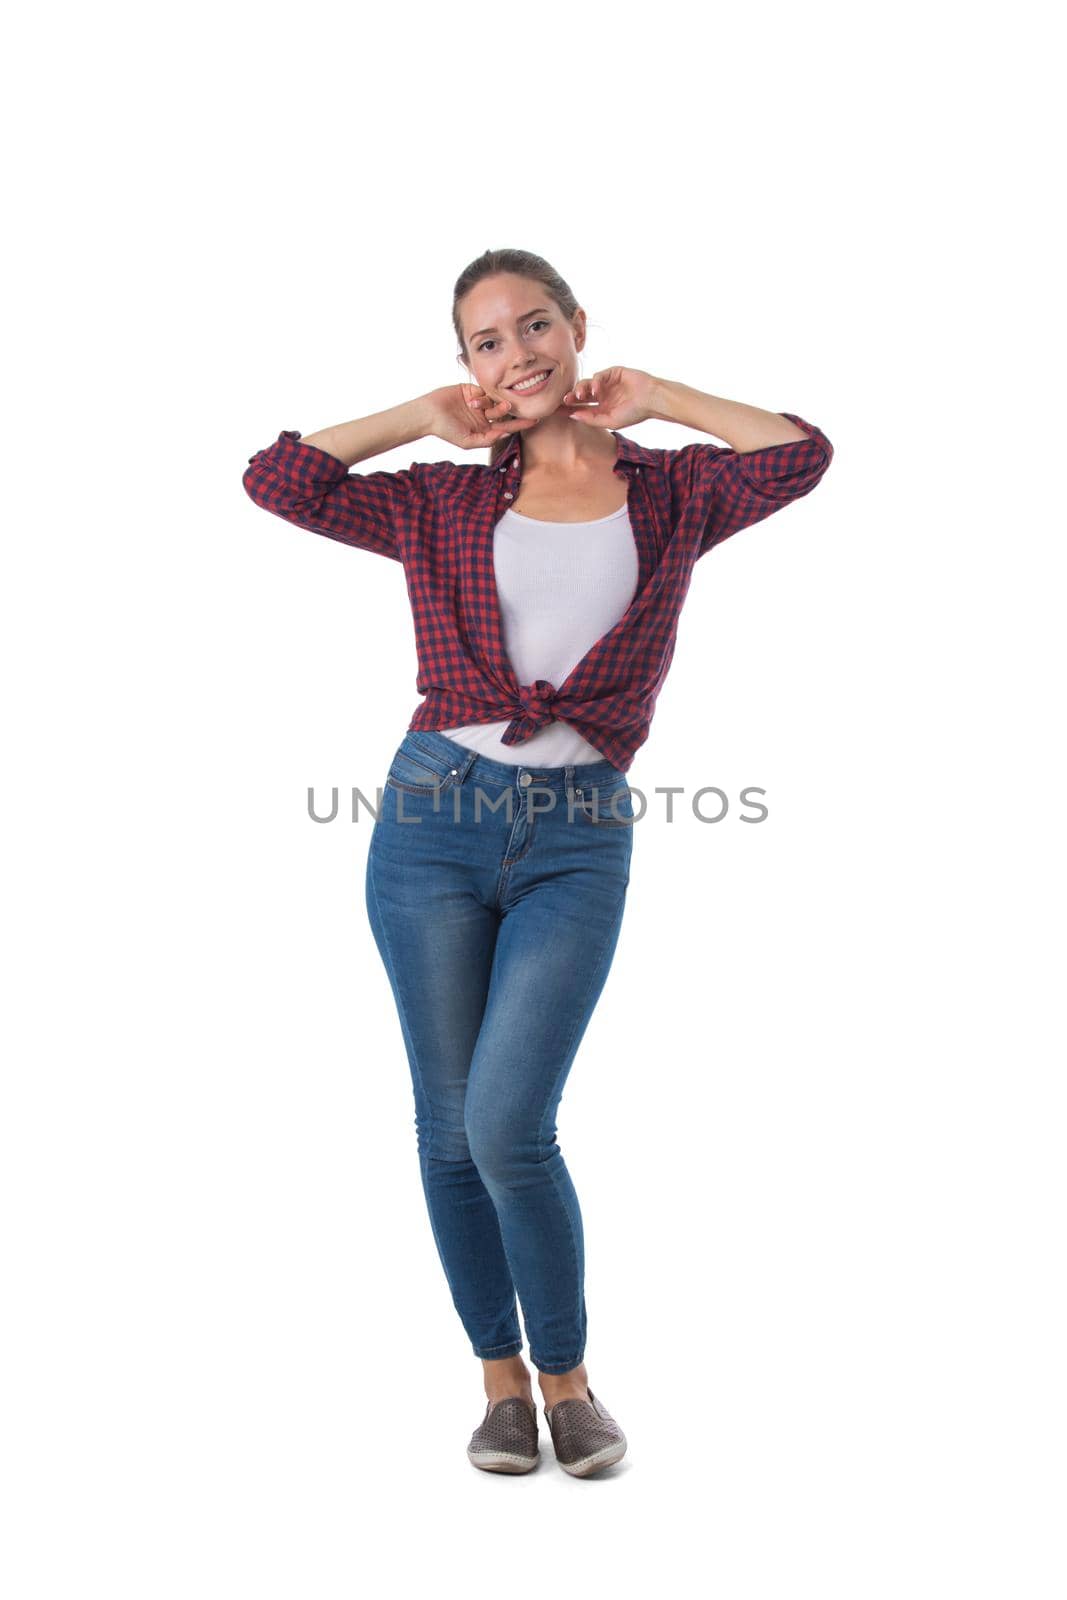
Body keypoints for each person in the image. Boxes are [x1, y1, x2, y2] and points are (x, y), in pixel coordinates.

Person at [242, 247, 834, 1477]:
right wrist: (419, 419)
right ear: (470, 367)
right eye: (485, 343)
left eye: (532, 326)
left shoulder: (672, 493)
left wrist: (658, 395)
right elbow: (277, 481)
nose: (515, 356)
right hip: (428, 825)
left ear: (574, 330)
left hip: (578, 837)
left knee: (511, 1120)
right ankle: (498, 1383)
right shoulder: (437, 501)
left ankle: (567, 1379)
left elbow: (797, 453)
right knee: (448, 1131)